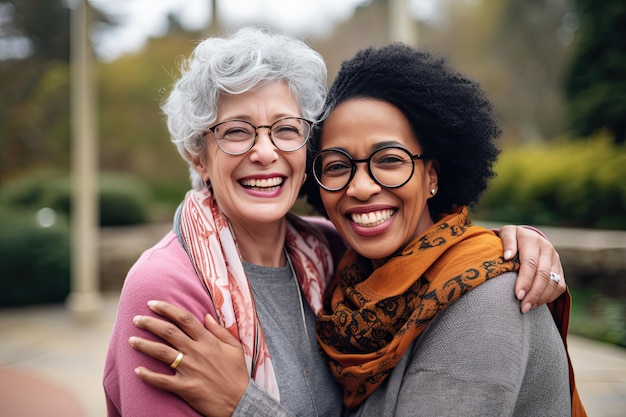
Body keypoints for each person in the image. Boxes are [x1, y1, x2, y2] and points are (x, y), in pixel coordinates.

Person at [104, 27, 568, 417]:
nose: (264, 152)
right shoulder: (164, 288)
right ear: (197, 155)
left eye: (285, 129)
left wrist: (511, 243)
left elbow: (440, 247)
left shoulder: (328, 253)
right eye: (236, 131)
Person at [306, 43, 587, 416]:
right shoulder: (346, 281)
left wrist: (241, 404)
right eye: (337, 166)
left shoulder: (488, 301)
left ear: (432, 177)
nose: (360, 187)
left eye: (389, 160)